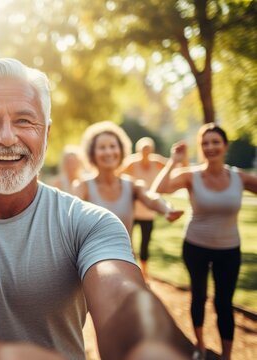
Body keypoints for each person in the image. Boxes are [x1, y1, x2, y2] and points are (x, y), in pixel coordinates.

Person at [0, 58, 196, 360]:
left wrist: (152, 346)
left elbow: (124, 296)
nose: (6, 137)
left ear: (47, 134)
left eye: (24, 121)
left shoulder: (90, 223)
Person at [152, 123, 257, 360]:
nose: (211, 147)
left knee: (224, 303)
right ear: (200, 148)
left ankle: (226, 355)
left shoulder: (238, 177)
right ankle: (200, 345)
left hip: (229, 249)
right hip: (196, 246)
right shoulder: (192, 176)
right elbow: (158, 189)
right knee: (198, 295)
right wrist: (174, 161)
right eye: (205, 143)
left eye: (215, 142)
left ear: (225, 146)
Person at [74, 122, 183, 244]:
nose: (108, 152)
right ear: (92, 153)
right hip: (92, 257)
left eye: (112, 146)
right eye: (102, 147)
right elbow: (71, 217)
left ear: (121, 150)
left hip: (125, 256)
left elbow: (150, 197)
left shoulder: (131, 185)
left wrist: (166, 209)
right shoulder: (83, 186)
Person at [119, 137, 168, 278]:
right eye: (143, 150)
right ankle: (130, 271)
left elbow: (172, 169)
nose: (146, 152)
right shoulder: (132, 163)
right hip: (132, 211)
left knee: (145, 243)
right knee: (128, 242)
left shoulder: (157, 161)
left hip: (149, 212)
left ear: (152, 150)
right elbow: (117, 175)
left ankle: (144, 273)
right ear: (138, 150)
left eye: (148, 149)